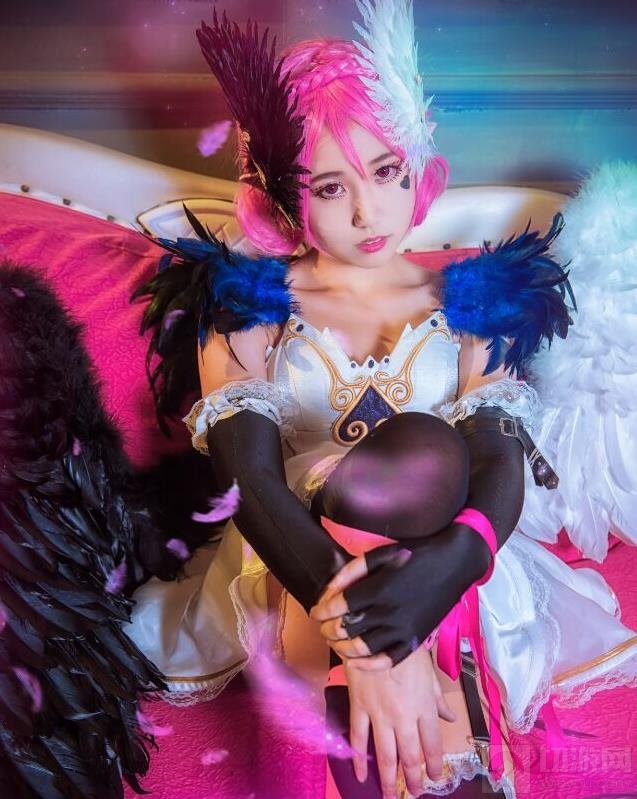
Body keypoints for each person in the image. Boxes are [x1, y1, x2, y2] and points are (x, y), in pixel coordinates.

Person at [127, 3, 637, 798]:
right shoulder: (246, 302)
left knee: (433, 451)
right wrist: (369, 642)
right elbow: (247, 480)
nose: (367, 211)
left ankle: (417, 760)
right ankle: (416, 743)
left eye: (387, 171)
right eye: (330, 186)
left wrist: (455, 559)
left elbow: (497, 460)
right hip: (291, 555)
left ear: (419, 170)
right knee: (418, 447)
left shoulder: (474, 301)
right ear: (280, 194)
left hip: (440, 562)